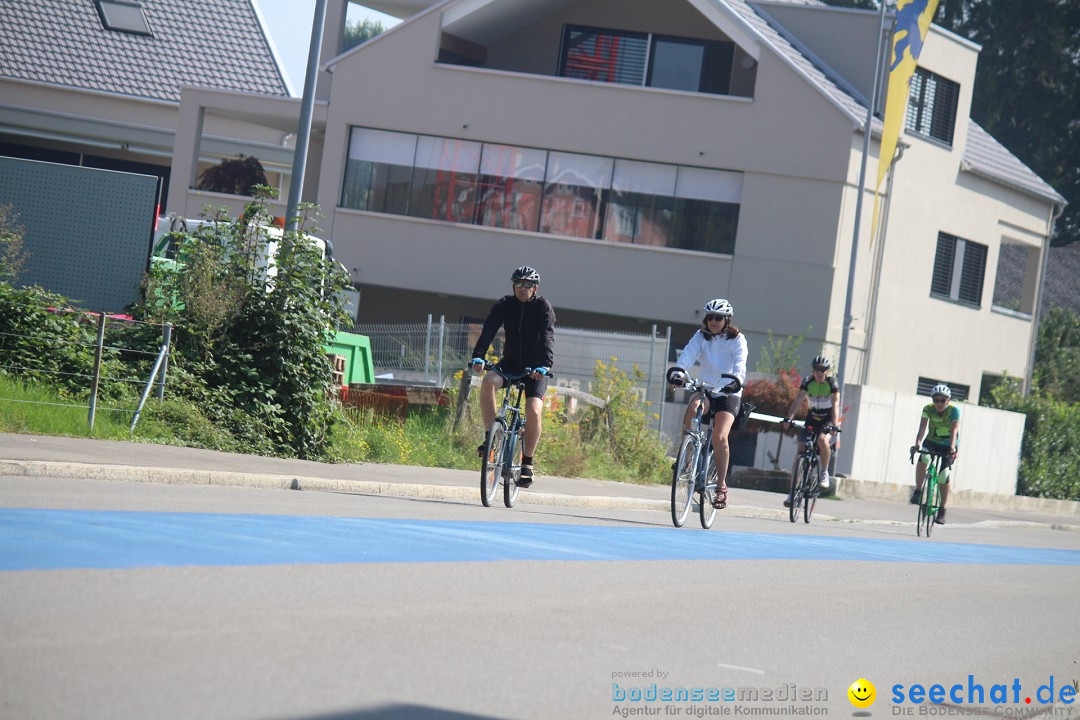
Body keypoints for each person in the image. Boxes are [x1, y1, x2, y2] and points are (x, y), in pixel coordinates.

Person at [469, 265, 556, 488]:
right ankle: (491, 439)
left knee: (533, 410)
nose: (523, 288)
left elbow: (547, 335)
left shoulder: (542, 307)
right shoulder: (505, 305)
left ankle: (527, 462)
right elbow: (489, 328)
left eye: (528, 284)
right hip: (510, 364)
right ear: (513, 286)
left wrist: (545, 365)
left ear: (535, 288)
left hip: (535, 369)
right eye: (519, 283)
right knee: (488, 382)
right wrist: (478, 356)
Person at [666, 298, 747, 509]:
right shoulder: (701, 336)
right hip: (707, 389)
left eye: (718, 318)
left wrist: (735, 380)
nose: (713, 321)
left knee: (720, 436)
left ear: (726, 320)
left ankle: (721, 487)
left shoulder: (737, 339)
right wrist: (678, 372)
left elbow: (740, 363)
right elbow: (687, 355)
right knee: (692, 409)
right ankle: (686, 458)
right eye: (710, 317)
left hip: (729, 392)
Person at [781, 356, 840, 507]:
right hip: (812, 419)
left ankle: (824, 472)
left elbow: (835, 404)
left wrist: (834, 424)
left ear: (827, 371)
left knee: (822, 440)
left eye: (822, 370)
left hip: (826, 420)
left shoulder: (831, 383)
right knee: (800, 449)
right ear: (813, 370)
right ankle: (793, 491)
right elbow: (798, 401)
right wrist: (789, 418)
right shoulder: (807, 382)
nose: (819, 373)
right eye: (816, 370)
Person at [910, 383, 960, 524]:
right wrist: (918, 443)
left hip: (948, 445)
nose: (939, 403)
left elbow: (954, 431)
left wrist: (951, 448)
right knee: (923, 458)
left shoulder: (954, 411)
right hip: (931, 442)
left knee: (943, 476)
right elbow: (922, 427)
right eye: (936, 400)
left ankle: (942, 509)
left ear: (948, 400)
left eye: (942, 400)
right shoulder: (928, 409)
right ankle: (918, 491)